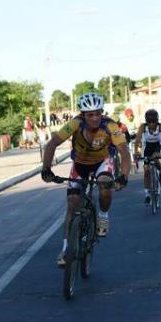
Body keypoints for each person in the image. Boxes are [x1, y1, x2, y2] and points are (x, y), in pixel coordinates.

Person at [41, 92, 131, 266]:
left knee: (105, 184)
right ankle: (66, 249)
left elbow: (124, 150)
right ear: (83, 115)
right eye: (90, 115)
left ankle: (103, 215)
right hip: (80, 163)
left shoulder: (110, 126)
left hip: (102, 162)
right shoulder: (75, 124)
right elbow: (52, 144)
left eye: (98, 113)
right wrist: (46, 169)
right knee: (72, 203)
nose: (95, 118)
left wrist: (124, 176)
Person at [134, 109, 161, 205]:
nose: (152, 124)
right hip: (148, 147)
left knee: (155, 157)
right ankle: (147, 194)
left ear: (157, 121)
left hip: (158, 146)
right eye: (149, 122)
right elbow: (138, 141)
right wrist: (137, 152)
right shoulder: (143, 127)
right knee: (146, 169)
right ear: (146, 122)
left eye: (154, 122)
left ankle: (160, 172)